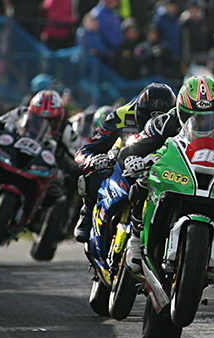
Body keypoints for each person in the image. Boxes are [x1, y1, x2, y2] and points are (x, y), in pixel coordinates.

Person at [115, 75, 214, 273]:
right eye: (193, 116)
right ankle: (136, 239)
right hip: (175, 172)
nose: (201, 122)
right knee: (141, 183)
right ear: (181, 111)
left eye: (209, 117)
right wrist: (132, 158)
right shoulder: (164, 122)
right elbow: (134, 146)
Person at [73, 82, 176, 242]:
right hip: (122, 160)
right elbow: (86, 150)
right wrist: (94, 160)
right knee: (98, 174)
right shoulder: (120, 115)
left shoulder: (176, 122)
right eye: (148, 117)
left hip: (158, 166)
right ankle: (87, 214)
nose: (152, 124)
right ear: (139, 111)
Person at [0, 90, 78, 206]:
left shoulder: (66, 129)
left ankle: (39, 216)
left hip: (41, 164)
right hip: (14, 153)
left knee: (58, 187)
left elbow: (77, 152)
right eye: (38, 118)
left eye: (50, 121)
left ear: (58, 117)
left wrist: (68, 162)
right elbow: (0, 121)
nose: (42, 123)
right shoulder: (22, 112)